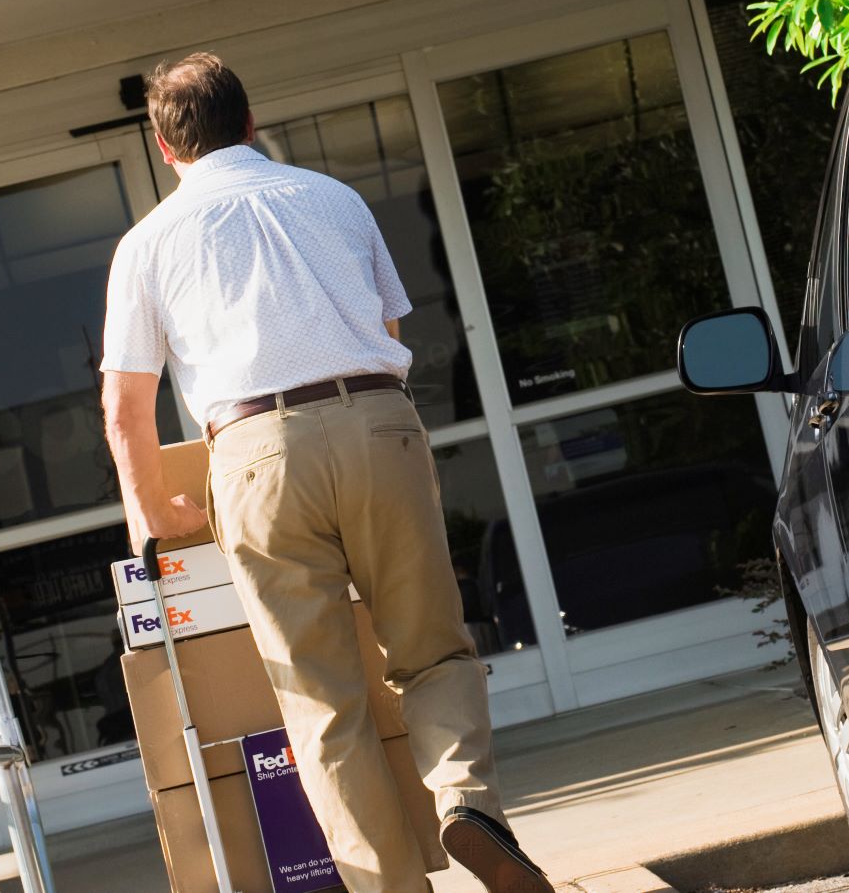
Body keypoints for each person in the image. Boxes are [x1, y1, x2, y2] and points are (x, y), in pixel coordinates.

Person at [99, 53, 550, 893]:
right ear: (249, 122)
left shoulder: (147, 244)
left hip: (253, 451)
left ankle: (387, 887)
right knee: (431, 648)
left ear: (165, 148)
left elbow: (126, 403)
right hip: (378, 421)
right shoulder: (335, 199)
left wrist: (150, 503)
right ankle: (465, 796)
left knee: (319, 701)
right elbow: (383, 322)